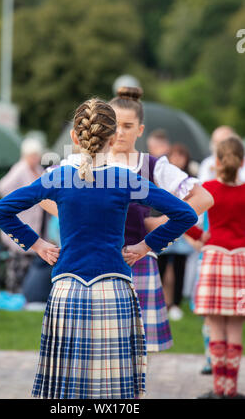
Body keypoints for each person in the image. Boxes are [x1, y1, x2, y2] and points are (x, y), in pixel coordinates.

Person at [0, 98, 198, 399]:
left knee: (68, 391)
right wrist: (144, 246)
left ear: (75, 137)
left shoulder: (58, 177)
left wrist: (38, 244)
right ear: (112, 139)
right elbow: (186, 214)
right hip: (114, 291)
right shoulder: (126, 180)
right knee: (114, 392)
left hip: (66, 292)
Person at [49, 87, 214, 354]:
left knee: (134, 351)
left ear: (140, 130)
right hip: (88, 262)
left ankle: (130, 396)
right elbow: (41, 192)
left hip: (134, 260)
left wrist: (158, 225)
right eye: (115, 125)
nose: (120, 132)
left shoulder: (151, 166)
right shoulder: (81, 162)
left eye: (128, 126)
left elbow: (203, 197)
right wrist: (73, 215)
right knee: (90, 347)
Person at [188, 136, 245, 399]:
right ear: (242, 161)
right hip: (241, 260)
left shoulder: (208, 188)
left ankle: (218, 389)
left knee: (215, 328)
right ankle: (231, 390)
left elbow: (182, 215)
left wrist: (200, 236)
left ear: (217, 162)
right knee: (235, 329)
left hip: (214, 259)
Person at [0, 138, 47, 293]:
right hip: (22, 218)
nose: (35, 158)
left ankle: (26, 292)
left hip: (37, 223)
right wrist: (20, 201)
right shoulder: (20, 168)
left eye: (37, 155)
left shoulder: (39, 170)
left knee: (30, 261)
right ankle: (13, 292)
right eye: (32, 155)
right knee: (16, 262)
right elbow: (2, 188)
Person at [158, 143, 196, 321]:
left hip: (183, 231)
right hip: (164, 227)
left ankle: (175, 303)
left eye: (182, 156)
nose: (178, 159)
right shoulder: (160, 177)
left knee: (179, 268)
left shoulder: (190, 180)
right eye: (175, 155)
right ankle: (161, 303)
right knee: (161, 267)